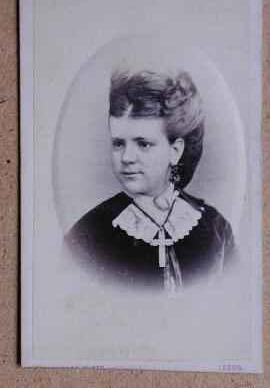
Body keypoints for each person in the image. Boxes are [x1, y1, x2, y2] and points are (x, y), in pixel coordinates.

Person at [65, 69, 235, 292]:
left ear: (175, 151)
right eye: (118, 143)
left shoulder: (215, 229)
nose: (126, 158)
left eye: (143, 144)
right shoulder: (87, 235)